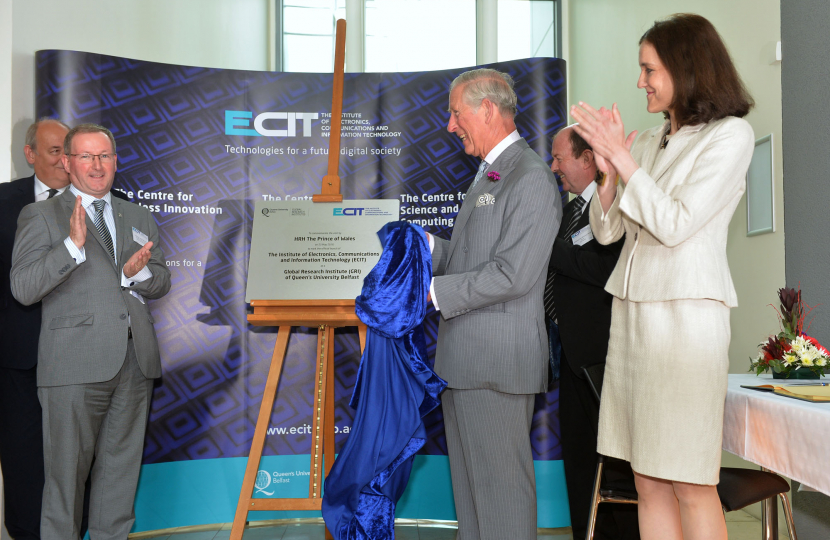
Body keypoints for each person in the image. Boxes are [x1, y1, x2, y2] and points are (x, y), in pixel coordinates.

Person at [570, 13, 755, 540]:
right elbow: (609, 231)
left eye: (649, 69)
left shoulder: (730, 136)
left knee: (690, 481)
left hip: (685, 325)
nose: (640, 82)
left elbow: (675, 223)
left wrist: (623, 159)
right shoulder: (650, 141)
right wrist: (608, 175)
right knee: (647, 480)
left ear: (685, 67)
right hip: (633, 322)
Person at [10, 123, 171, 539]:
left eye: (104, 156)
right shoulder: (41, 214)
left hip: (134, 363)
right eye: (86, 156)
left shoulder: (137, 214)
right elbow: (23, 287)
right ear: (67, 162)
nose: (96, 165)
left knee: (119, 483)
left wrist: (137, 275)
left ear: (115, 161)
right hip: (73, 365)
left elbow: (161, 281)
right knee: (65, 485)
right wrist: (71, 247)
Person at [427, 68, 561, 540]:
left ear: (487, 109)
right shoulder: (491, 173)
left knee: (501, 501)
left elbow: (511, 274)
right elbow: (473, 257)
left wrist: (434, 292)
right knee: (472, 505)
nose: (450, 125)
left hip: (494, 368)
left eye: (455, 113)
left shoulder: (530, 178)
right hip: (465, 364)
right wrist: (428, 249)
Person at [543, 126, 634, 539]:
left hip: (604, 359)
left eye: (559, 158)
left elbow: (602, 270)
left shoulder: (612, 206)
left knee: (614, 463)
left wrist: (547, 244)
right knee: (578, 463)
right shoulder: (565, 215)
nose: (554, 167)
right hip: (569, 356)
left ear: (586, 160)